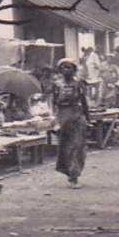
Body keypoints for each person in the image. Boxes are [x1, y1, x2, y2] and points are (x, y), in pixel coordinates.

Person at [50, 59, 91, 189]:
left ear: (74, 69)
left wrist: (88, 120)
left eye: (69, 68)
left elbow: (84, 102)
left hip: (77, 114)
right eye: (63, 68)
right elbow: (53, 103)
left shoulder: (79, 84)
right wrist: (54, 120)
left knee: (77, 146)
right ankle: (68, 172)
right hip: (63, 115)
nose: (66, 70)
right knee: (65, 146)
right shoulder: (56, 85)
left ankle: (75, 175)